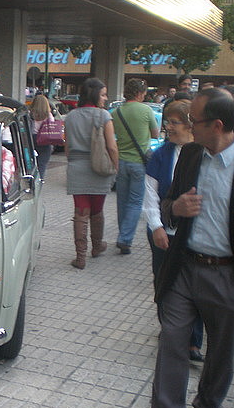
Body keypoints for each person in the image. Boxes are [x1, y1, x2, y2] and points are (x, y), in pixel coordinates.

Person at [132, 87, 234, 408]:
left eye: (193, 121)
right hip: (184, 266)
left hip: (229, 274)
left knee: (221, 349)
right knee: (172, 339)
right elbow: (168, 203)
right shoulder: (191, 155)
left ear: (217, 125)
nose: (187, 126)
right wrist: (174, 211)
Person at [143, 99, 204, 362]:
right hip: (163, 232)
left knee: (195, 286)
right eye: (166, 121)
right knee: (164, 282)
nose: (168, 127)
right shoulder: (160, 155)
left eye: (174, 122)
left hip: (195, 234)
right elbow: (149, 194)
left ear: (191, 124)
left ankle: (193, 341)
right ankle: (169, 329)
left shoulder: (203, 153)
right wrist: (156, 226)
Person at [64, 77, 119, 269]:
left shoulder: (70, 116)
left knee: (80, 212)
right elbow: (111, 147)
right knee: (97, 210)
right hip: (99, 167)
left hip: (77, 167)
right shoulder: (104, 116)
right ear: (95, 94)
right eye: (103, 94)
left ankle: (80, 257)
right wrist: (115, 167)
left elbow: (67, 147)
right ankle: (97, 246)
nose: (105, 98)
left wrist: (72, 163)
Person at [111, 78, 159, 255]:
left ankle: (123, 234)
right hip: (139, 162)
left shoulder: (116, 112)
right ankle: (125, 238)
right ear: (140, 93)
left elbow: (112, 136)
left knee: (122, 201)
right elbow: (155, 134)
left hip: (121, 162)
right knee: (135, 202)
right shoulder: (146, 110)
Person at [29, 94, 55, 179]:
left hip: (31, 139)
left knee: (30, 163)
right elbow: (51, 127)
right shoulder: (48, 115)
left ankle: (30, 180)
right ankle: (39, 181)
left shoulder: (29, 114)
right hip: (45, 141)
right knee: (42, 164)